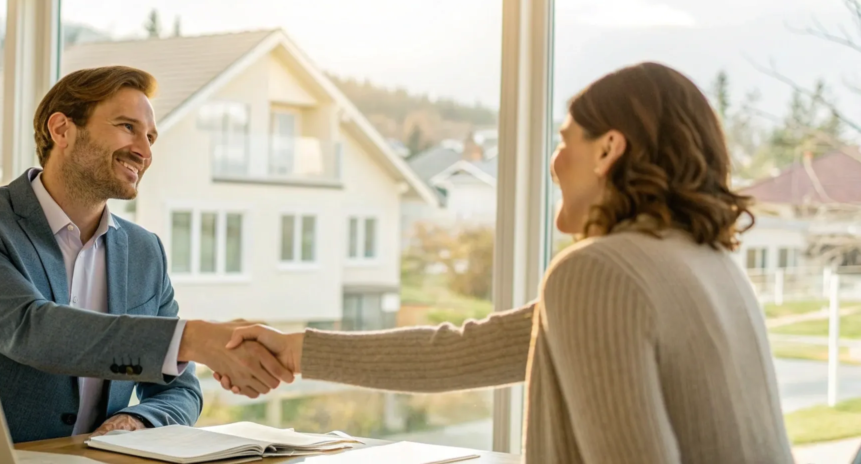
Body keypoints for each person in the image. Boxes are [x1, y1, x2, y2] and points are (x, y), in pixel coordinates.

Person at [218, 62, 794, 463]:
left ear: (608, 150)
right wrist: (296, 349)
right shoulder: (708, 262)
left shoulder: (599, 271)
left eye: (566, 140)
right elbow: (462, 351)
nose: (555, 161)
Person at [0, 66, 292, 443]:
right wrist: (192, 339)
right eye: (127, 127)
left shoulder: (145, 251)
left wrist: (138, 421)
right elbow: (33, 331)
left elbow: (179, 390)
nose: (145, 151)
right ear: (62, 129)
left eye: (150, 137)